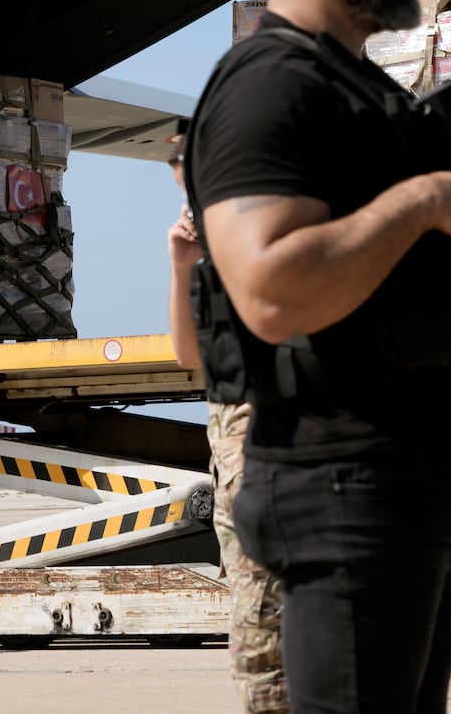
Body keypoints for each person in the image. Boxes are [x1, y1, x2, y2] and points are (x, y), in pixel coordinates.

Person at [184, 0, 451, 713]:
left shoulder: (357, 86)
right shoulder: (269, 86)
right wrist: (421, 202)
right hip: (343, 488)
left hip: (407, 479)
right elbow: (272, 290)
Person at [166, 131, 287, 713]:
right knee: (260, 653)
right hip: (244, 481)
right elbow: (190, 355)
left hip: (278, 478)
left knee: (269, 656)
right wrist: (182, 265)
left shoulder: (270, 244)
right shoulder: (217, 261)